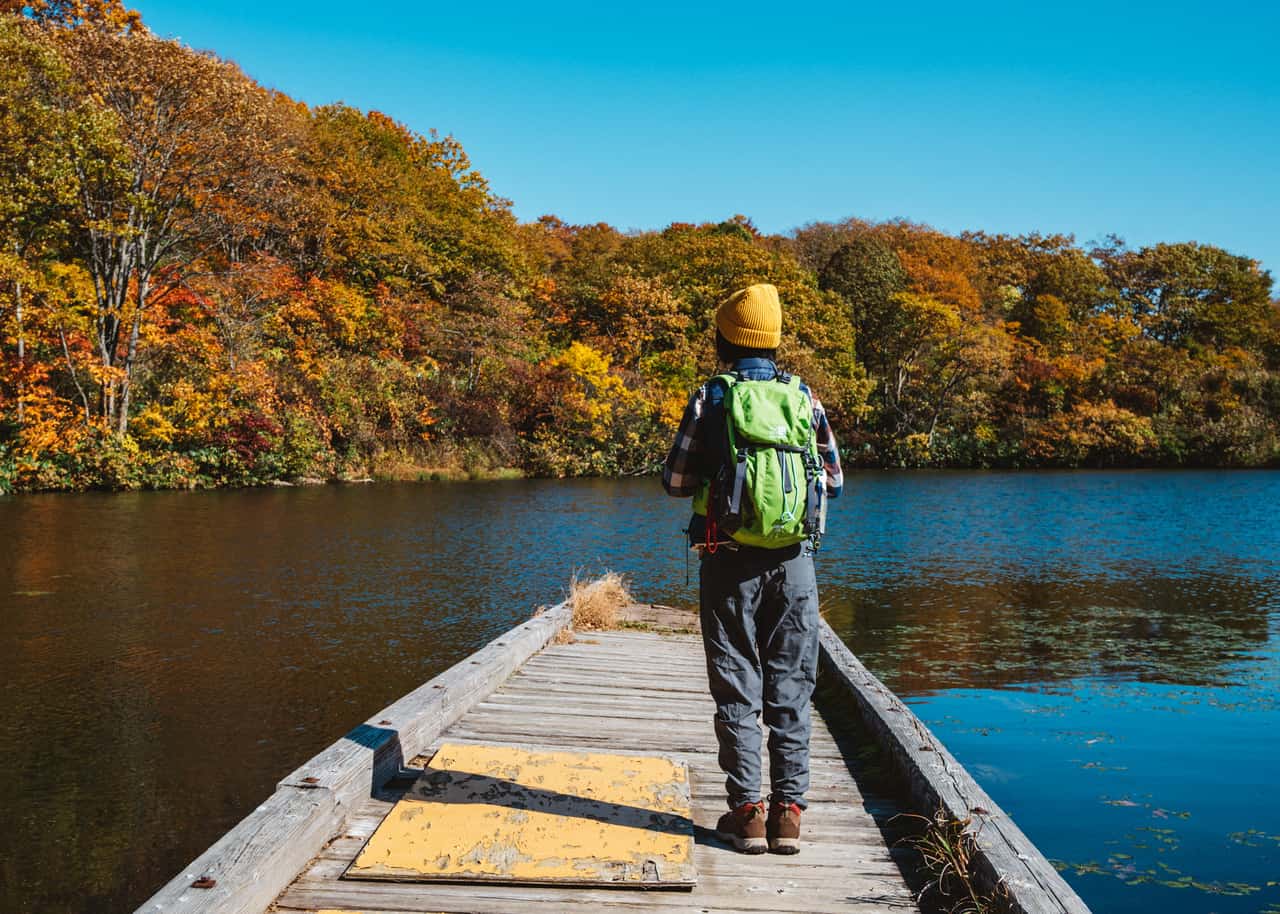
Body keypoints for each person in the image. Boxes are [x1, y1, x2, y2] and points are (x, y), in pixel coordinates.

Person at [663, 282, 843, 855]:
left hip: (727, 562)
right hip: (795, 565)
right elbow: (834, 482)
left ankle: (746, 814)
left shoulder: (711, 398)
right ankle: (789, 814)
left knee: (736, 685)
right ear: (775, 339)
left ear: (724, 339)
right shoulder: (803, 397)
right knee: (792, 686)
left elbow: (675, 482)